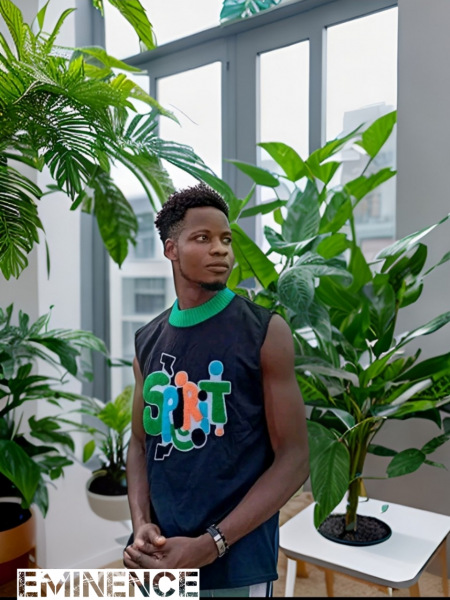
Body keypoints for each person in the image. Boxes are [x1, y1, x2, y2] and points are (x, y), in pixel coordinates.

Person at [123, 182, 310, 597]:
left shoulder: (265, 331)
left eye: (226, 239)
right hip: (161, 555)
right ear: (171, 249)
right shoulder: (146, 341)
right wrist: (141, 523)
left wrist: (211, 545)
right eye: (203, 238)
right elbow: (139, 443)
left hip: (235, 561)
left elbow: (295, 459)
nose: (220, 250)